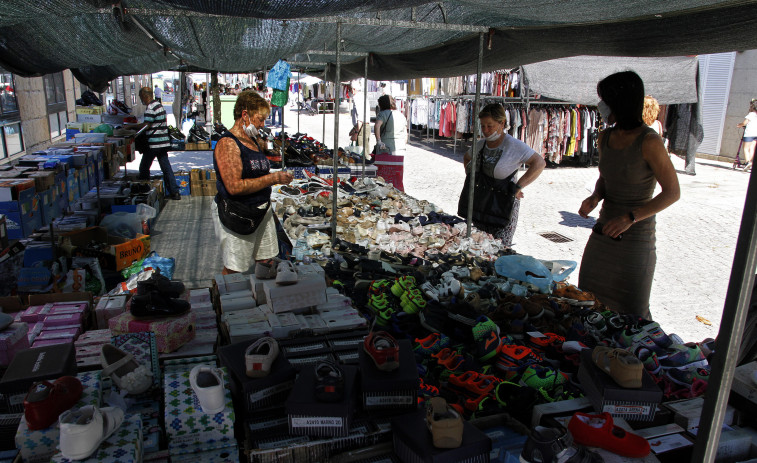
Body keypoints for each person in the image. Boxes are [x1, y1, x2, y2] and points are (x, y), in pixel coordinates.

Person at [578, 71, 680, 319]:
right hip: (603, 235)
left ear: (620, 103)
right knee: (588, 301)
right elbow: (606, 176)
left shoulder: (650, 141)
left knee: (633, 313)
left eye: (605, 100)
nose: (601, 106)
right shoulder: (606, 136)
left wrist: (631, 217)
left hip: (635, 240)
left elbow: (673, 192)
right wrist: (595, 197)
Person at [212, 91, 294, 275]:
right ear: (244, 115)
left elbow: (255, 172)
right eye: (260, 119)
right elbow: (234, 186)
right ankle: (220, 299)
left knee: (266, 260)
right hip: (238, 214)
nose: (262, 124)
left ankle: (262, 297)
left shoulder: (252, 140)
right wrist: (273, 179)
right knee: (234, 268)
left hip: (260, 211)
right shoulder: (228, 144)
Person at [462, 103, 546, 247]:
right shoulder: (481, 144)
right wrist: (474, 179)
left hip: (502, 208)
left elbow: (539, 163)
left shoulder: (513, 145)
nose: (486, 130)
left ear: (502, 123)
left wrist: (518, 186)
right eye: (482, 126)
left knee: (498, 249)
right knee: (477, 245)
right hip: (481, 204)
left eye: (490, 126)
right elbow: (467, 158)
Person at [134, 87, 180, 200]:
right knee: (166, 168)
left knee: (144, 167)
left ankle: (144, 191)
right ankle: (174, 192)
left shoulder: (151, 107)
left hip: (154, 143)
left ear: (145, 96)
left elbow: (146, 125)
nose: (141, 100)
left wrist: (130, 126)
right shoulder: (159, 106)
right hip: (163, 143)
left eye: (141, 98)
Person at [374, 95, 408, 190]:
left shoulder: (383, 114)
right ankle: (399, 194)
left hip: (386, 148)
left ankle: (387, 195)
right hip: (400, 148)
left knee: (385, 176)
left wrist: (379, 140)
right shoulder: (401, 115)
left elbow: (377, 125)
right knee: (398, 176)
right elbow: (405, 134)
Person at [736, 99, 757, 171]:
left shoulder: (751, 114)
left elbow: (744, 123)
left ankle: (748, 162)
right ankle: (750, 162)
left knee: (745, 148)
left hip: (749, 133)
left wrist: (739, 125)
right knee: (752, 148)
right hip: (755, 134)